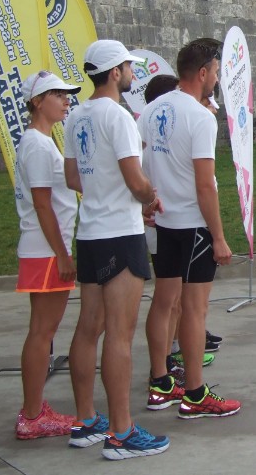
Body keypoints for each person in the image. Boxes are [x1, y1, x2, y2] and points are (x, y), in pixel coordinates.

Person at [63, 39, 170, 459]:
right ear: (114, 73)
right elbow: (135, 179)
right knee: (120, 335)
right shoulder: (120, 116)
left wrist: (108, 192)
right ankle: (122, 432)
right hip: (120, 234)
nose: (131, 73)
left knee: (88, 328)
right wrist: (149, 197)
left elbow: (73, 177)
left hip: (90, 231)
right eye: (127, 66)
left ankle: (86, 420)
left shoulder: (77, 115)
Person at [138, 38, 240, 419]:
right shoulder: (201, 117)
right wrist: (219, 237)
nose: (216, 79)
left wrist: (147, 202)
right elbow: (204, 185)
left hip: (164, 224)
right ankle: (195, 394)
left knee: (163, 302)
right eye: (215, 72)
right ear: (202, 73)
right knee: (195, 310)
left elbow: (141, 162)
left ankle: (160, 381)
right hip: (194, 225)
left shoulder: (151, 110)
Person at [13, 72, 81, 440]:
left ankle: (34, 409)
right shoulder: (37, 145)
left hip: (44, 249)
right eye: (58, 94)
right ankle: (32, 415)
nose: (66, 100)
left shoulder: (39, 141)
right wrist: (63, 255)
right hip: (46, 251)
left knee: (42, 332)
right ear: (38, 102)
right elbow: (42, 204)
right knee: (42, 332)